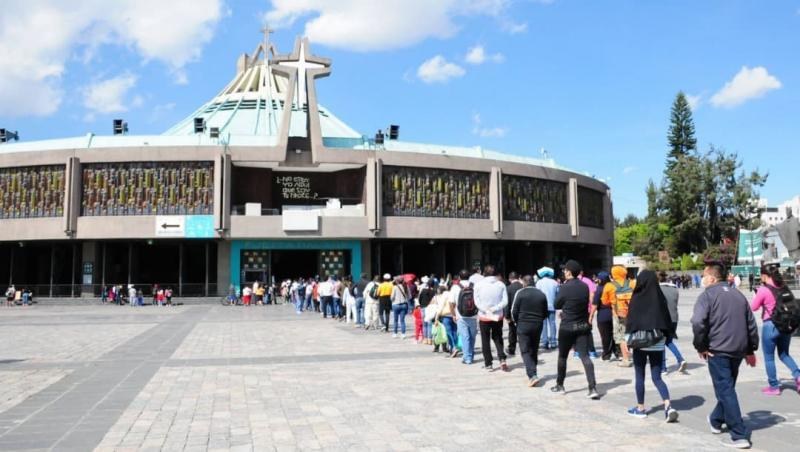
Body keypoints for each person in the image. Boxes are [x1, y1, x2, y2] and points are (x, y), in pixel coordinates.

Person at [691, 262, 759, 449]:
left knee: (725, 390)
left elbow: (698, 322)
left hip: (718, 349)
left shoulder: (708, 296)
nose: (702, 278)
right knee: (727, 388)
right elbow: (750, 324)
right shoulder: (738, 295)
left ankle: (738, 434)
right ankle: (716, 419)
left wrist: (701, 346)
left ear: (712, 278)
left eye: (704, 275)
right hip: (737, 349)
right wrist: (750, 349)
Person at [624, 271, 678, 422]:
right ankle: (668, 405)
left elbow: (631, 321)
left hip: (640, 343)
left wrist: (628, 341)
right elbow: (667, 320)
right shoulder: (659, 298)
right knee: (657, 377)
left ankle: (640, 408)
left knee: (639, 376)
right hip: (657, 342)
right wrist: (668, 337)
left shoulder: (637, 297)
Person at [550, 260, 599, 399]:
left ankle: (560, 385)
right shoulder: (585, 286)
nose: (564, 272)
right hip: (582, 325)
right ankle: (592, 387)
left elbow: (556, 303)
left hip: (567, 326)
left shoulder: (565, 286)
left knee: (563, 356)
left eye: (565, 270)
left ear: (570, 272)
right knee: (585, 356)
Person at [751, 264, 800, 395]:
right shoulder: (784, 287)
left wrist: (756, 295)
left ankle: (774, 386)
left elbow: (754, 307)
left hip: (770, 326)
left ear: (764, 275)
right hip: (786, 326)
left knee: (769, 358)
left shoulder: (763, 289)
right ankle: (798, 376)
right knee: (784, 354)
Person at [511, 275, 548, 386]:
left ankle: (532, 375)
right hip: (537, 324)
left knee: (525, 351)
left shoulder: (520, 293)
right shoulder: (541, 294)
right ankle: (534, 371)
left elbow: (514, 310)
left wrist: (517, 322)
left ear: (524, 283)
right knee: (534, 349)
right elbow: (545, 312)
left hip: (523, 325)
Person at [474, 265, 509, 371]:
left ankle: (488, 363)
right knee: (498, 338)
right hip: (497, 316)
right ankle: (502, 358)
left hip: (484, 316)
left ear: (484, 273)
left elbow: (477, 301)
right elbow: (505, 301)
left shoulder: (478, 285)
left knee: (485, 340)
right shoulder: (501, 284)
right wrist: (495, 308)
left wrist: (486, 309)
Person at [602, 265, 634, 367]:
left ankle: (625, 359)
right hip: (633, 313)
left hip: (618, 314)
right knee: (631, 335)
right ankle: (633, 354)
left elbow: (604, 301)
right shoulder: (632, 283)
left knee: (621, 337)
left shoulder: (609, 286)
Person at [658, 271, 687, 374]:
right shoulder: (675, 289)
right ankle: (680, 359)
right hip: (674, 318)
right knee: (668, 341)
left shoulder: (657, 289)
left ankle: (663, 367)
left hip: (662, 319)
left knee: (661, 343)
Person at [592, 272, 617, 361]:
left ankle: (606, 355)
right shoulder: (613, 287)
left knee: (605, 336)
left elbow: (595, 305)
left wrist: (590, 317)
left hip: (603, 315)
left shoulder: (599, 289)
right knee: (613, 335)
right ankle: (617, 352)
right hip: (613, 313)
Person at [455, 270, 478, 364]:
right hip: (473, 315)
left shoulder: (455, 287)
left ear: (459, 277)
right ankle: (470, 355)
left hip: (461, 316)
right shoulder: (474, 286)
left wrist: (453, 314)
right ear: (469, 277)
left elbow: (452, 303)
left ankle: (467, 357)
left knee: (465, 336)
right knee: (472, 336)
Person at [536, 267, 559, 350]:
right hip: (552, 305)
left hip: (542, 306)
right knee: (552, 323)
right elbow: (557, 294)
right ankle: (553, 342)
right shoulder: (555, 282)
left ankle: (545, 342)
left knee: (543, 324)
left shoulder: (539, 283)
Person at [434, 285, 458, 357]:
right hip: (454, 315)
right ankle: (455, 346)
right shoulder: (452, 294)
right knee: (454, 332)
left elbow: (440, 307)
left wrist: (436, 317)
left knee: (448, 333)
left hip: (446, 316)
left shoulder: (444, 296)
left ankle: (453, 348)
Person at [505, 272, 523, 357]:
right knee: (523, 332)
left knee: (512, 332)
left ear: (510, 279)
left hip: (512, 314)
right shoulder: (523, 286)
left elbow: (507, 303)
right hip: (523, 313)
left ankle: (512, 349)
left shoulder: (508, 288)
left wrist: (507, 316)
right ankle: (524, 348)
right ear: (518, 277)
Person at [418, 277, 435, 344]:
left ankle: (425, 339)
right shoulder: (434, 291)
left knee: (424, 324)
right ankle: (430, 339)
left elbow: (419, 299)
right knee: (430, 324)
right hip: (430, 308)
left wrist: (421, 304)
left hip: (423, 308)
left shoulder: (423, 290)